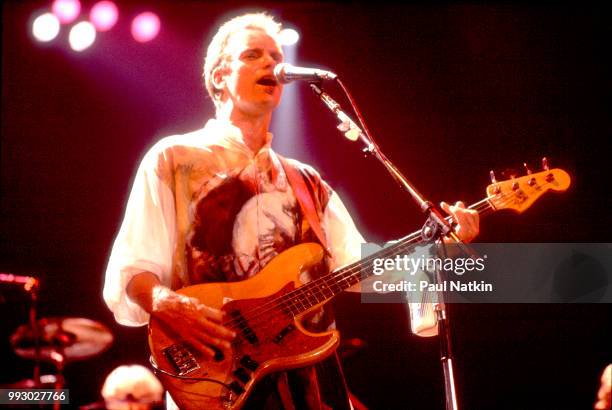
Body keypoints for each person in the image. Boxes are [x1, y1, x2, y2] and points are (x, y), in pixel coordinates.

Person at [103, 12, 479, 409]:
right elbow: (132, 269)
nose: (271, 64)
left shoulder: (307, 181)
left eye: (275, 55)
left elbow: (357, 268)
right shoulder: (172, 159)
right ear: (219, 77)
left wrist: (440, 248)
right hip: (219, 374)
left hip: (311, 382)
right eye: (253, 55)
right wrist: (170, 303)